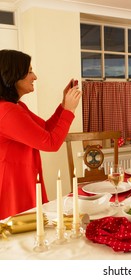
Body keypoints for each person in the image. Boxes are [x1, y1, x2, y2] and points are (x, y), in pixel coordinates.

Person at [0, 49, 82, 220]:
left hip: (20, 181)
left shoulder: (15, 107)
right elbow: (50, 143)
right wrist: (69, 110)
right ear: (13, 75)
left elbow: (45, 129)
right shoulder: (6, 111)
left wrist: (63, 105)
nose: (35, 76)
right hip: (12, 186)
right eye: (29, 71)